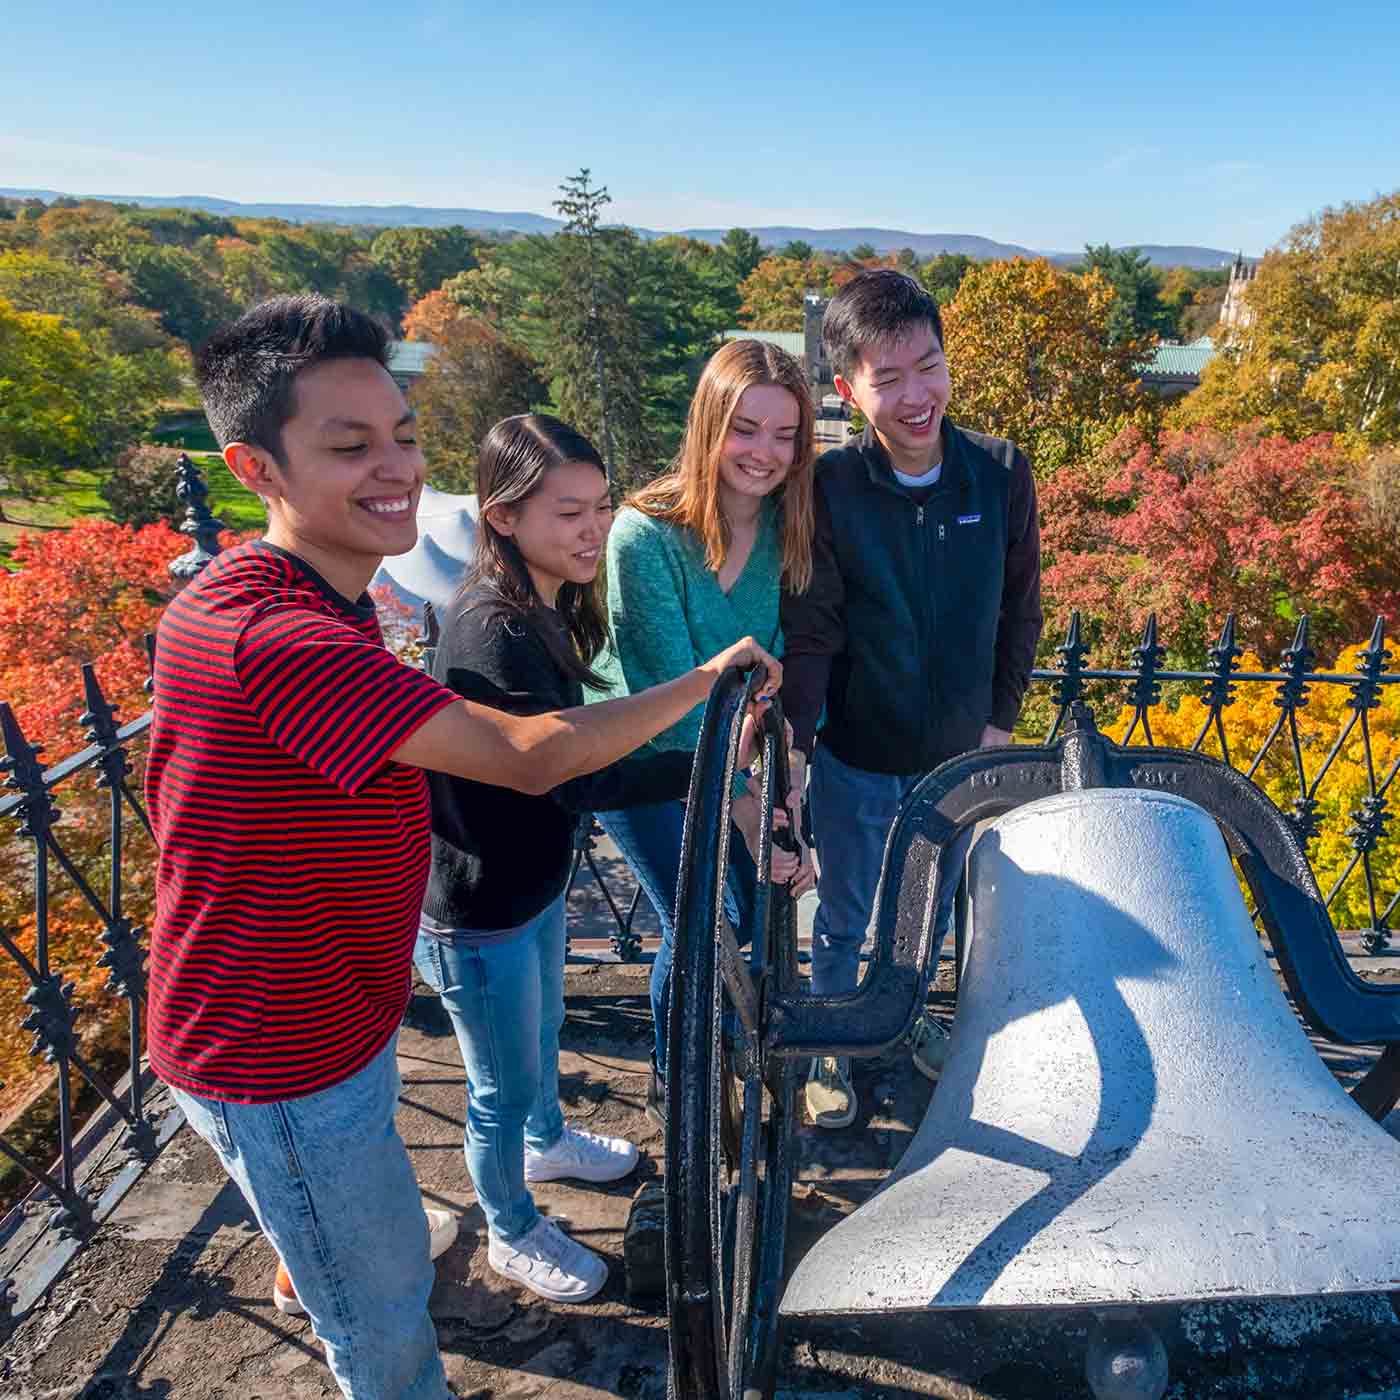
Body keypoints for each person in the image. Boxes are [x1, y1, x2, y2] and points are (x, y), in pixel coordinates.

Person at [146, 295, 781, 1400]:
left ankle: (329, 1249)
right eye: (348, 446)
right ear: (254, 467)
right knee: (387, 1332)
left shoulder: (290, 599)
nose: (393, 466)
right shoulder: (280, 635)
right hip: (278, 1046)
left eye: (401, 433)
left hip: (320, 1010)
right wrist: (710, 683)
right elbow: (534, 753)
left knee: (367, 1228)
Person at [417, 413, 735, 1303]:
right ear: (504, 515)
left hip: (531, 883)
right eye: (568, 513)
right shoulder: (495, 629)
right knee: (496, 1086)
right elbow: (563, 776)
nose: (593, 529)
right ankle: (511, 1229)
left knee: (541, 1037)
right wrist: (698, 762)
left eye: (599, 507)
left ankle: (548, 1142)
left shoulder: (541, 600)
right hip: (480, 908)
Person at [780, 269, 1043, 1130]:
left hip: (959, 759)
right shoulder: (831, 488)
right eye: (887, 379)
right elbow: (813, 631)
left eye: (927, 365)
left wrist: (996, 727)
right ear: (850, 389)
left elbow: (1021, 610)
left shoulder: (999, 472)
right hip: (858, 754)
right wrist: (797, 750)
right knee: (846, 914)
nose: (915, 395)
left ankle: (902, 1018)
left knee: (924, 913)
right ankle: (831, 1040)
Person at [594, 339, 817, 1118]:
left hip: (732, 758)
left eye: (785, 435)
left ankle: (712, 1046)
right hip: (642, 759)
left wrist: (777, 778)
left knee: (743, 914)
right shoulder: (645, 534)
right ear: (709, 424)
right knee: (700, 919)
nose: (765, 453)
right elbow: (674, 691)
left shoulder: (790, 527)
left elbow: (777, 670)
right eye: (746, 429)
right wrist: (754, 812)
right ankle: (679, 1074)